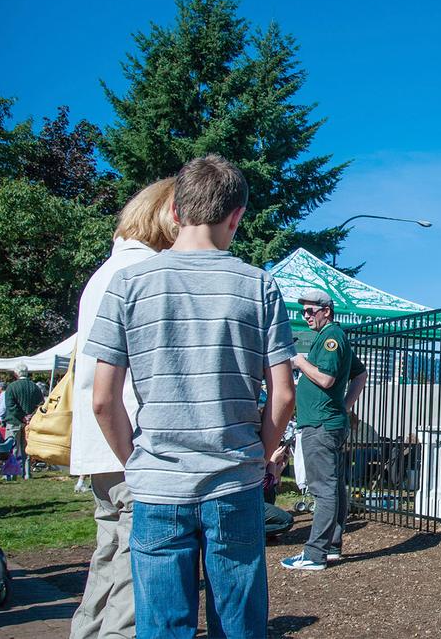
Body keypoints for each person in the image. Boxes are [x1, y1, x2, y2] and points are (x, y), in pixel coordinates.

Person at [87, 154, 296, 638]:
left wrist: (135, 461)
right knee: (239, 625)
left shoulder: (129, 284)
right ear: (236, 217)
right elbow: (283, 395)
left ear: (176, 212)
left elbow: (103, 399)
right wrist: (260, 455)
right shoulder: (259, 285)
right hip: (233, 482)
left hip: (158, 485)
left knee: (162, 627)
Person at [69, 177, 178, 639]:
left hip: (99, 443)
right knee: (137, 575)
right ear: (172, 215)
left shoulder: (104, 274)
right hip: (132, 439)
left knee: (108, 555)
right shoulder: (146, 275)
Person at [281, 289, 369, 571]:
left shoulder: (331, 338)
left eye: (310, 311)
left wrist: (299, 361)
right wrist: (344, 406)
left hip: (321, 424)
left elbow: (327, 378)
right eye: (303, 312)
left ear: (326, 311)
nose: (305, 316)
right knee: (334, 487)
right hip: (327, 422)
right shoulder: (333, 337)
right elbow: (361, 374)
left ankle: (315, 553)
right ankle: (330, 547)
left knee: (324, 488)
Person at [4, 364, 44, 480]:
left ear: (16, 374)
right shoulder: (35, 387)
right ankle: (27, 473)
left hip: (14, 421)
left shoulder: (11, 387)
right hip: (29, 422)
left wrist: (22, 416)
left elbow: (10, 406)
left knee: (12, 448)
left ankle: (11, 474)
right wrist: (30, 416)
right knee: (26, 449)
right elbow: (41, 404)